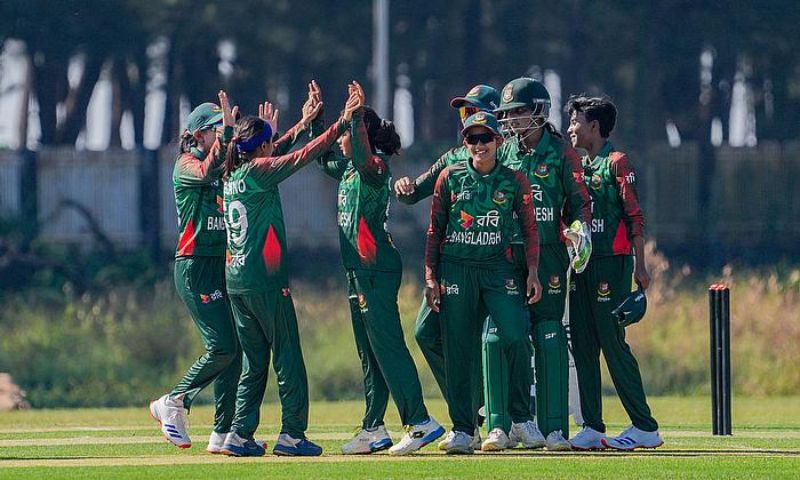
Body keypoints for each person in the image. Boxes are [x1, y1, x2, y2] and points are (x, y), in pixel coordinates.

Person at [219, 84, 361, 457]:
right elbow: (301, 156)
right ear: (262, 149)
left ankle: (238, 434)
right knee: (289, 360)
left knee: (254, 361)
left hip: (237, 282)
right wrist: (340, 123)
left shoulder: (233, 175)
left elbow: (279, 151)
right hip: (265, 281)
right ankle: (292, 435)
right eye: (270, 142)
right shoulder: (261, 171)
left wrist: (305, 120)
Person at [317, 83, 444, 455]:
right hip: (357, 271)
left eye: (349, 134)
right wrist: (318, 121)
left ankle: (419, 421)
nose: (342, 140)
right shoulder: (349, 170)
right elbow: (321, 156)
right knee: (369, 353)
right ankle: (373, 428)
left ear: (364, 137)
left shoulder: (375, 168)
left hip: (376, 270)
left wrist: (354, 120)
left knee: (387, 347)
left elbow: (359, 155)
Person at [484, 77, 593, 451]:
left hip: (548, 254)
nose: (511, 121)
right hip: (506, 255)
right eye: (507, 114)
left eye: (517, 112)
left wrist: (580, 230)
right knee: (500, 335)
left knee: (548, 335)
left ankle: (553, 428)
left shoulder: (562, 153)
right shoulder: (503, 151)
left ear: (538, 111)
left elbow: (579, 202)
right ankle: (501, 425)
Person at [425, 112, 542, 454]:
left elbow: (529, 229)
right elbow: (434, 230)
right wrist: (431, 277)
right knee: (459, 349)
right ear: (465, 144)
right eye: (472, 139)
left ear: (498, 142)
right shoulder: (449, 177)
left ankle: (521, 420)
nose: (479, 145)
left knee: (517, 336)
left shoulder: (513, 179)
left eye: (485, 138)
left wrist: (532, 271)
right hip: (457, 269)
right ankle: (464, 429)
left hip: (498, 269)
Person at [394, 84, 500, 450]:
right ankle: (474, 404)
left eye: (474, 111)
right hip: (453, 265)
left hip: (495, 265)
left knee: (490, 342)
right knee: (426, 332)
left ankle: (498, 410)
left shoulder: (509, 156)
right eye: (463, 114)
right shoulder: (454, 157)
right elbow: (416, 191)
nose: (468, 120)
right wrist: (404, 186)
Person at [149, 91, 245, 454]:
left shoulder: (219, 162)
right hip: (193, 267)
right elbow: (206, 173)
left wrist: (296, 129)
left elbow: (263, 156)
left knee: (233, 349)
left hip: (217, 264)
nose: (223, 135)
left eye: (223, 130)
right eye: (216, 130)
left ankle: (222, 433)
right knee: (222, 346)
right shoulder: (186, 165)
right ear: (197, 135)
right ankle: (173, 401)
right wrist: (226, 136)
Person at [565, 95, 662, 451]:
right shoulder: (573, 165)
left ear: (594, 126)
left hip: (613, 263)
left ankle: (644, 426)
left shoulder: (617, 163)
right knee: (584, 346)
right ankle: (592, 426)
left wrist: (640, 265)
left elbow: (634, 217)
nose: (570, 128)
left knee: (612, 342)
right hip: (582, 265)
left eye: (576, 122)